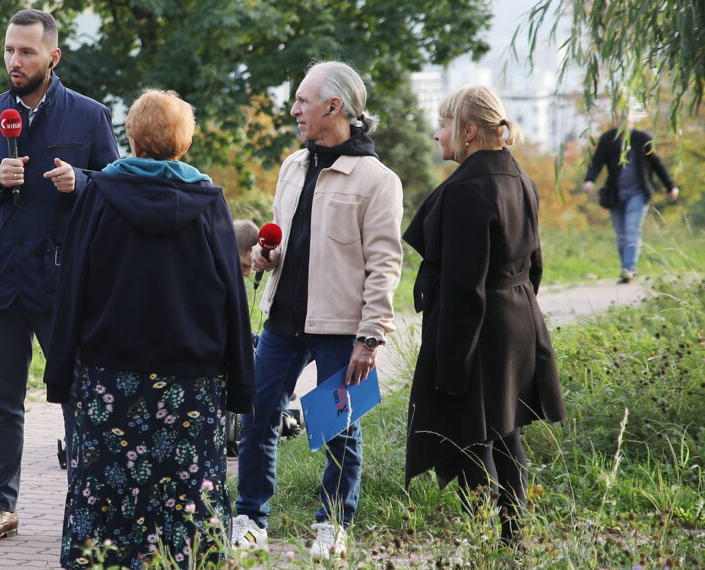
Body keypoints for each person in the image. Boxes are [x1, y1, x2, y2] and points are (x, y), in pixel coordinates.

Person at [44, 88, 255, 570]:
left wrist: (59, 375)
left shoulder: (97, 194)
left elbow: (72, 284)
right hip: (191, 385)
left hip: (109, 379)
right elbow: (232, 298)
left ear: (132, 139)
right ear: (184, 145)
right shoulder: (209, 201)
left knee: (106, 506)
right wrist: (242, 387)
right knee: (185, 506)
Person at [0, 8, 120, 547]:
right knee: (2, 401)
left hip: (62, 278)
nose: (14, 61)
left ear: (52, 56)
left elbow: (116, 187)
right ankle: (1, 507)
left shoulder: (89, 116)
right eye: (9, 50)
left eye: (26, 52)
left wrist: (83, 179)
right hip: (1, 277)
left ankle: (87, 508)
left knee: (75, 393)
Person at [231, 61, 404, 559]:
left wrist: (371, 337)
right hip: (283, 322)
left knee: (339, 431)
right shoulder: (292, 166)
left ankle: (332, 524)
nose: (294, 109)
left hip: (341, 330)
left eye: (302, 100)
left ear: (335, 107)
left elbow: (384, 264)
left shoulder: (377, 180)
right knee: (258, 417)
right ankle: (250, 519)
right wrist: (268, 256)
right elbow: (289, 239)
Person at [402, 84, 565, 545]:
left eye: (443, 124)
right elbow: (535, 267)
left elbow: (462, 288)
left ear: (469, 131)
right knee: (506, 432)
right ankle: (513, 541)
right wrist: (517, 313)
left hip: (479, 328)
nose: (437, 135)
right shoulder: (522, 179)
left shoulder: (466, 192)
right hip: (518, 321)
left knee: (468, 435)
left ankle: (487, 543)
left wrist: (451, 364)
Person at [581, 115, 679, 283]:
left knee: (632, 230)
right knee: (621, 235)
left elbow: (657, 164)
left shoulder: (642, 139)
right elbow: (597, 161)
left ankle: (629, 268)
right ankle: (626, 269)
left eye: (627, 119)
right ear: (616, 120)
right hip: (616, 195)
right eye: (620, 119)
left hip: (639, 193)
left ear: (633, 120)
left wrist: (670, 186)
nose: (624, 122)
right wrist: (590, 179)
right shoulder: (608, 139)